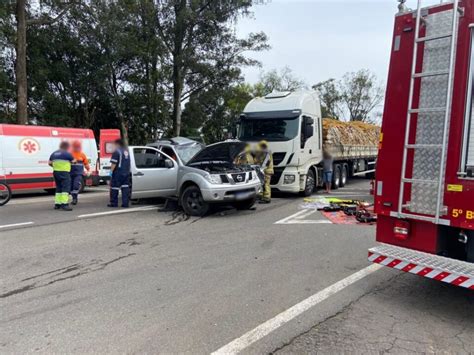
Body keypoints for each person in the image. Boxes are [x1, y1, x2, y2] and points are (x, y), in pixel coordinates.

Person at [48, 141, 74, 211]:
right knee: (65, 188)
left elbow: (49, 163)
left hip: (56, 172)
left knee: (58, 188)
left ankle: (57, 204)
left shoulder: (54, 153)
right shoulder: (67, 154)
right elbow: (74, 161)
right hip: (65, 172)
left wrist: (56, 166)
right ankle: (64, 204)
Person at [108, 139, 131, 208]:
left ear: (117, 144)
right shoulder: (126, 151)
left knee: (114, 188)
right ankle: (125, 203)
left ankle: (114, 203)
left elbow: (114, 163)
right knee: (125, 188)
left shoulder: (116, 152)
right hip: (126, 172)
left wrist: (110, 172)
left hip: (118, 172)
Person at [70, 140, 90, 205]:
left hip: (78, 173)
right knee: (70, 187)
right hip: (70, 173)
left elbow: (86, 164)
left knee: (76, 186)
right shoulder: (70, 154)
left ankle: (74, 199)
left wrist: (88, 170)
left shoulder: (82, 154)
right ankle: (73, 197)